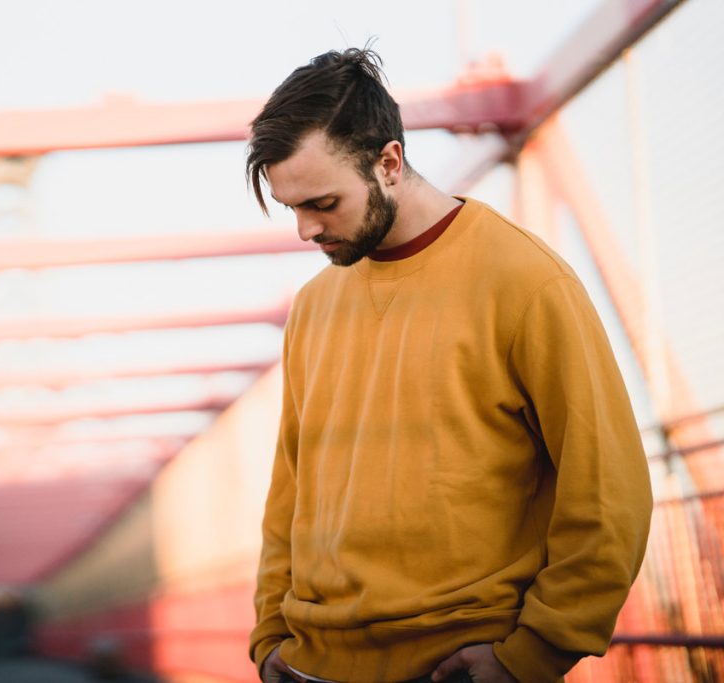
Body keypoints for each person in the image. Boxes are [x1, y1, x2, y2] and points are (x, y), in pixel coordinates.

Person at [246, 48, 653, 683]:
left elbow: (609, 490)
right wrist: (270, 633)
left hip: (457, 666)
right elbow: (290, 492)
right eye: (291, 206)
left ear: (388, 162)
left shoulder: (524, 282)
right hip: (310, 665)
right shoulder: (313, 306)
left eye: (322, 203)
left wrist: (534, 655)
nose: (304, 230)